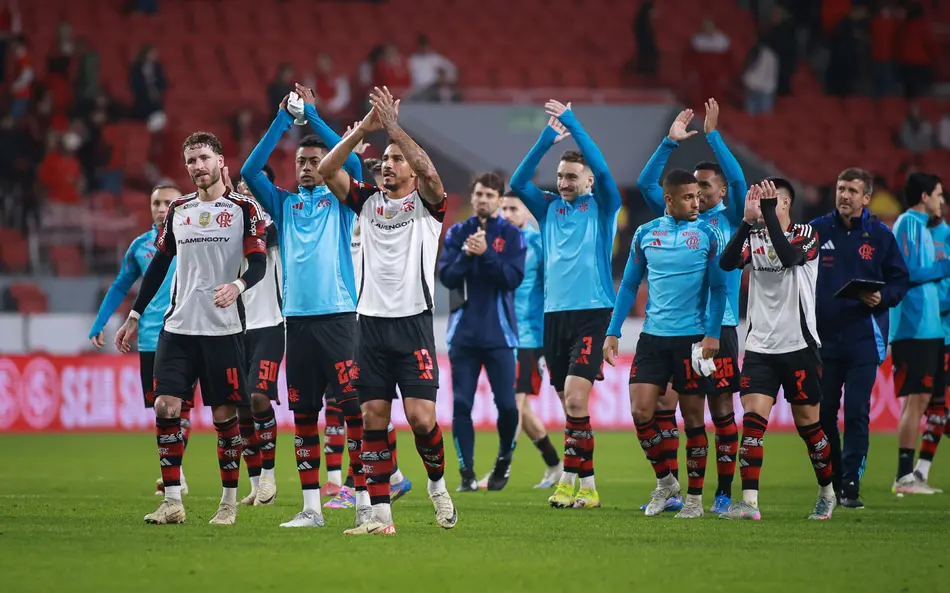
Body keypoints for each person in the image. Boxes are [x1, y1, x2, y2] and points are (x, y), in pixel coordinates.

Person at [317, 86, 457, 535]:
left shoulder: (427, 206)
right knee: (373, 419)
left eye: (397, 159)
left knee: (421, 418)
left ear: (411, 172)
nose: (388, 164)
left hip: (413, 325)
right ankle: (380, 517)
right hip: (369, 328)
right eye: (386, 159)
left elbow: (432, 173)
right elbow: (326, 168)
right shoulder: (365, 202)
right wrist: (366, 128)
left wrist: (394, 128)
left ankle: (437, 486)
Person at [115, 132, 269, 525]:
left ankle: (229, 503)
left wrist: (236, 286)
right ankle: (172, 502)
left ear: (219, 160)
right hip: (178, 328)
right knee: (166, 407)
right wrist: (134, 315)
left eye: (203, 158)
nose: (197, 166)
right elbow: (158, 266)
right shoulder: (178, 210)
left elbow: (257, 262)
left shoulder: (243, 209)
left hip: (224, 330)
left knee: (223, 417)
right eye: (190, 161)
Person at [240, 85, 369, 528]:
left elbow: (350, 162)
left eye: (315, 161)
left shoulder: (342, 200)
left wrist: (312, 116)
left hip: (338, 318)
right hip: (296, 321)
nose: (309, 168)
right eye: (301, 162)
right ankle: (311, 509)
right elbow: (250, 168)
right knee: (304, 415)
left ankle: (365, 500)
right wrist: (283, 121)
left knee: (353, 409)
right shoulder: (283, 204)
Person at [510, 100, 622, 509]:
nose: (563, 182)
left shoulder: (604, 206)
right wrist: (545, 140)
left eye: (572, 176)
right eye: (559, 176)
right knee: (569, 406)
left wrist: (573, 125)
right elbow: (519, 181)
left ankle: (568, 482)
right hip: (553, 318)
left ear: (589, 181)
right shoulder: (549, 208)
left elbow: (606, 171)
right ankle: (587, 488)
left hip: (593, 314)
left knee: (576, 400)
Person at [635, 100, 745, 514]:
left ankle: (720, 493)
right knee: (665, 408)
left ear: (719, 191)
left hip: (722, 327)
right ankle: (672, 487)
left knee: (719, 412)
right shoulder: (676, 218)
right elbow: (649, 186)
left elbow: (737, 177)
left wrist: (714, 135)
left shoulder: (730, 219)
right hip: (677, 332)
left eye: (705, 186)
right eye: (692, 188)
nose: (698, 192)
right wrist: (667, 144)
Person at [603, 169, 728, 518]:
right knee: (641, 411)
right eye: (689, 197)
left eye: (698, 196)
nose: (697, 201)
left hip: (691, 339)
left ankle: (694, 500)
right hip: (652, 337)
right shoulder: (645, 233)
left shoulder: (708, 233)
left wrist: (713, 333)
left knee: (691, 419)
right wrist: (613, 331)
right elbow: (629, 285)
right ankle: (666, 481)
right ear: (669, 199)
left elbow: (719, 288)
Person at [718, 180, 835, 521]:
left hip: (799, 346)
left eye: (772, 201)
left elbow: (787, 258)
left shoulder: (807, 234)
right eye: (763, 201)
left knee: (809, 428)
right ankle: (749, 503)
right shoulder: (753, 236)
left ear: (785, 203)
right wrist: (745, 222)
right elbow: (726, 264)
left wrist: (766, 214)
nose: (766, 205)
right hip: (759, 348)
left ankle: (827, 492)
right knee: (753, 424)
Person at [809, 168, 909, 508]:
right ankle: (834, 478)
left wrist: (883, 298)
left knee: (855, 412)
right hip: (823, 340)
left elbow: (899, 281)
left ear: (866, 198)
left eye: (852, 190)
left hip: (864, 338)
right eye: (841, 188)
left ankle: (850, 482)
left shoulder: (880, 235)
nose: (845, 195)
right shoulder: (817, 230)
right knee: (823, 416)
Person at [88, 182, 194, 496]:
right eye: (156, 203)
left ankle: (177, 473)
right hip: (150, 337)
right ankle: (176, 470)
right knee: (162, 408)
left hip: (188, 332)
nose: (162, 209)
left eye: (168, 203)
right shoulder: (140, 246)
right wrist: (100, 322)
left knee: (181, 405)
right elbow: (121, 285)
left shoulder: (196, 238)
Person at [322, 141, 412, 510]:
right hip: (347, 314)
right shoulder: (347, 216)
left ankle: (360, 483)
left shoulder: (388, 220)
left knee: (356, 403)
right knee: (347, 402)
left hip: (367, 319)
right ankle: (390, 477)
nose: (378, 190)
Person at [439, 172, 526, 491]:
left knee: (506, 405)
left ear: (500, 200)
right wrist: (466, 254)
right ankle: (466, 473)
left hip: (500, 336)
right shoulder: (457, 233)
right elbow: (446, 276)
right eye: (479, 194)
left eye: (491, 195)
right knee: (461, 404)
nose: (484, 200)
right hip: (463, 335)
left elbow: (512, 279)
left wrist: (486, 253)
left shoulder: (512, 235)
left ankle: (504, 459)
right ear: (472, 197)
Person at [889, 172, 950, 494]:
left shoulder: (922, 228)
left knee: (923, 398)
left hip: (929, 326)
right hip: (914, 327)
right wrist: (945, 266)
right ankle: (903, 476)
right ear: (925, 196)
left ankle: (908, 475)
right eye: (938, 194)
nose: (941, 200)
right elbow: (908, 272)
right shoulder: (909, 224)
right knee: (917, 400)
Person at [499, 192, 563, 489]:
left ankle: (502, 469)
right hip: (501, 337)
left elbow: (553, 287)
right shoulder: (496, 243)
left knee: (513, 404)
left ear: (527, 212)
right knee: (521, 409)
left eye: (513, 208)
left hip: (529, 337)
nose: (507, 214)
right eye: (503, 209)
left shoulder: (538, 244)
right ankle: (554, 464)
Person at [231, 172, 283, 508]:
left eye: (256, 183)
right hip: (233, 327)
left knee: (259, 398)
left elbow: (266, 235)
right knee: (240, 407)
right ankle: (254, 484)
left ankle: (269, 477)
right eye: (242, 184)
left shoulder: (276, 224)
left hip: (270, 323)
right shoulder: (226, 227)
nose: (247, 187)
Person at [920, 207, 950, 491]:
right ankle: (919, 471)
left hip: (945, 334)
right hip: (920, 333)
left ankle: (920, 470)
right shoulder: (916, 234)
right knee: (936, 407)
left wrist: (931, 301)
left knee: (938, 406)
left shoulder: (948, 237)